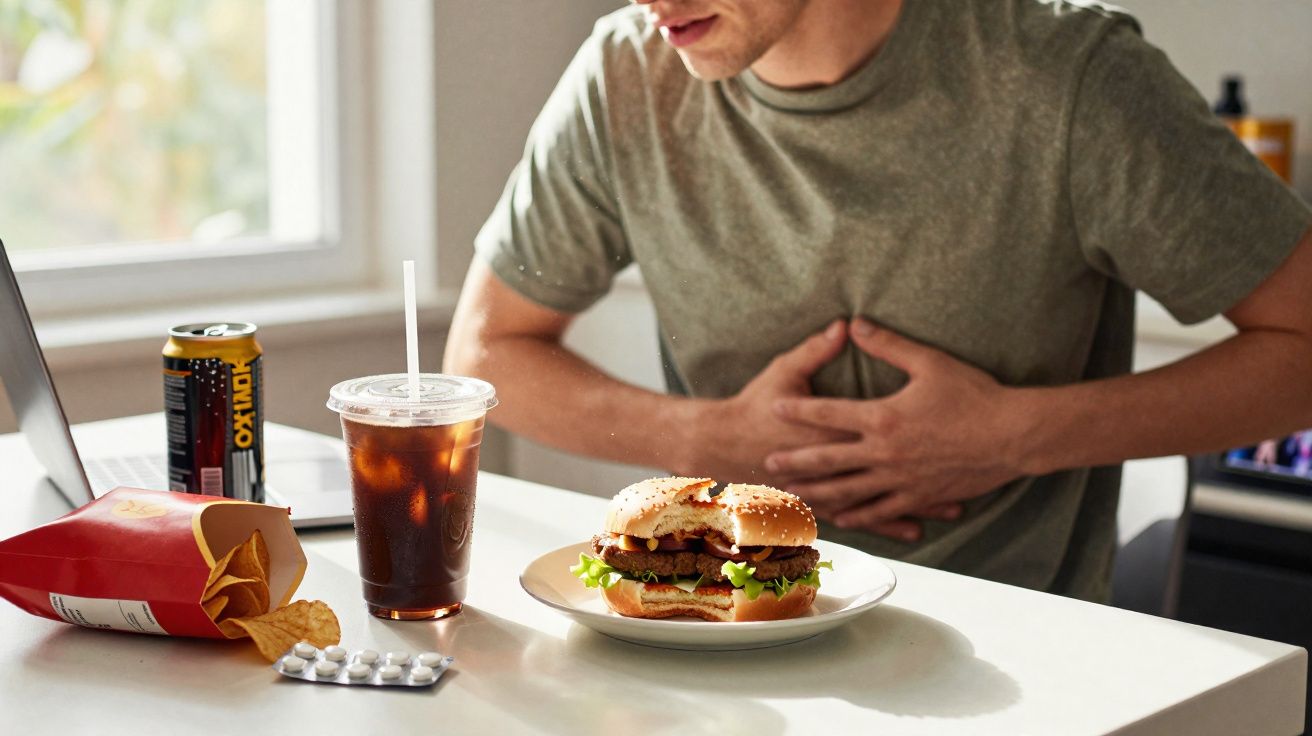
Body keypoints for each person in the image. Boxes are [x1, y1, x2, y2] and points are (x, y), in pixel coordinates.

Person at [444, 0, 1312, 601]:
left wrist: (1011, 438)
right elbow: (484, 355)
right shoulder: (624, 75)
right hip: (727, 642)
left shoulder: (1071, 78)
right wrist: (705, 439)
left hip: (1022, 653)